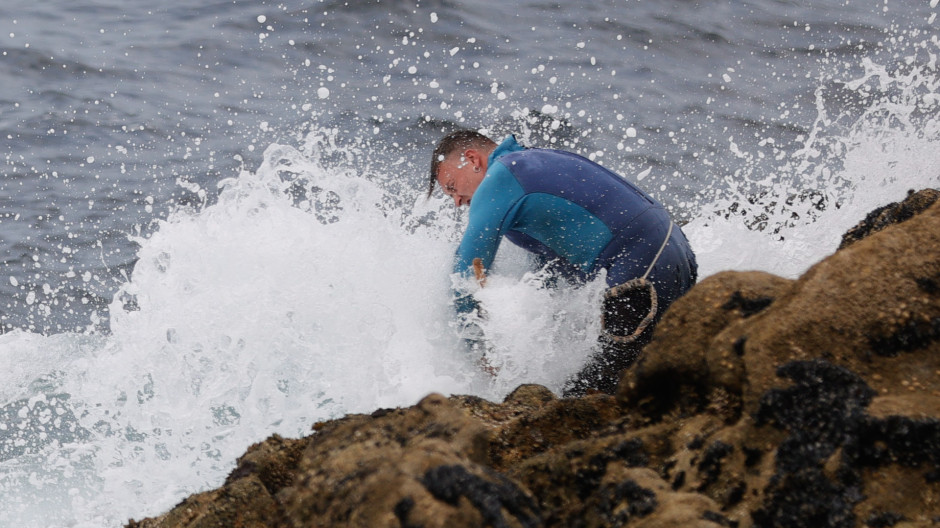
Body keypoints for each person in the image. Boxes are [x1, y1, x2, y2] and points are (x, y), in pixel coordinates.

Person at [428, 130, 697, 395]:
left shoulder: (501, 178)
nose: (457, 202)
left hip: (640, 265)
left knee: (587, 398)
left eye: (452, 187)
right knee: (659, 383)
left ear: (473, 159)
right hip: (673, 252)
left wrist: (476, 352)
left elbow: (465, 273)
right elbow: (554, 274)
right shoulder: (531, 162)